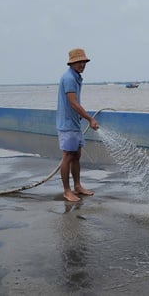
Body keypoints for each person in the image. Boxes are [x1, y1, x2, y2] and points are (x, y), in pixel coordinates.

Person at [56, 48, 99, 202]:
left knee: (76, 156)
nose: (82, 64)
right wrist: (89, 119)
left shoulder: (76, 77)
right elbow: (73, 103)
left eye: (84, 62)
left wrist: (81, 118)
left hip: (74, 124)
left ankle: (78, 186)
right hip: (67, 124)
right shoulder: (69, 78)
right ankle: (67, 191)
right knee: (68, 156)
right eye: (79, 62)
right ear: (72, 63)